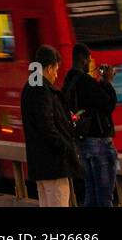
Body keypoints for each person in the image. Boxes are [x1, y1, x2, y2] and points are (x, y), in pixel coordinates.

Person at [20, 45, 82, 207]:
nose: (56, 75)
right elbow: (47, 126)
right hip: (53, 165)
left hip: (41, 166)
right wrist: (67, 147)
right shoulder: (41, 90)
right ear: (48, 68)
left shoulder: (30, 87)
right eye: (56, 69)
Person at [63, 44, 118, 208]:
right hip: (99, 144)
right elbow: (108, 104)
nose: (90, 62)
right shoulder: (85, 81)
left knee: (91, 193)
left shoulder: (69, 81)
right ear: (83, 59)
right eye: (89, 59)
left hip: (83, 143)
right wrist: (106, 82)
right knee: (104, 196)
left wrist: (99, 82)